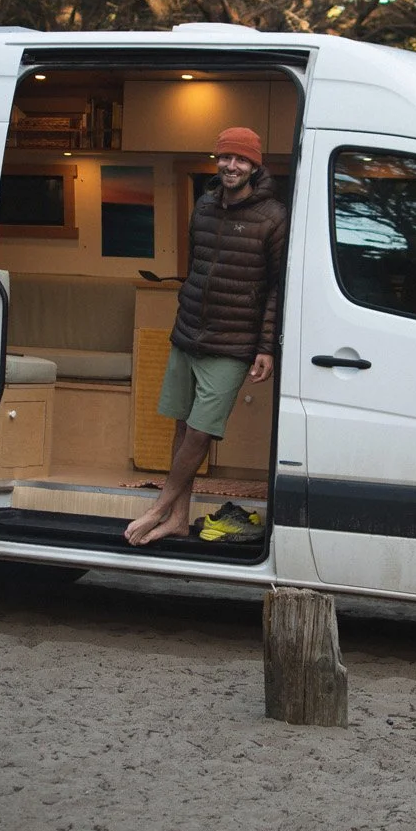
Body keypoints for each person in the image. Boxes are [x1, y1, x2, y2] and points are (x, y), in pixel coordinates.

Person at [124, 126, 287, 546]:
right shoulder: (205, 206)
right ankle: (179, 518)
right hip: (188, 332)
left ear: (255, 165)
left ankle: (160, 505)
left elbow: (276, 287)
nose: (231, 166)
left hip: (233, 343)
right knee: (182, 425)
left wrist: (266, 346)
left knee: (201, 430)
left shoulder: (273, 217)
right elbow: (196, 265)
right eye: (226, 158)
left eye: (241, 160)